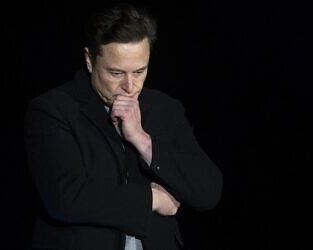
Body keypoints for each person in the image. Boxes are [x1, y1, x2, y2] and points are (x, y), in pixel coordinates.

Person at [25, 3, 222, 250]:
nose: (130, 86)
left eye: (139, 71)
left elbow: (208, 190)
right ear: (89, 60)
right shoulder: (54, 110)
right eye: (116, 73)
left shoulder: (165, 109)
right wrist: (151, 199)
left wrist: (142, 140)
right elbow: (66, 198)